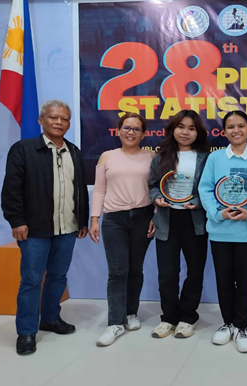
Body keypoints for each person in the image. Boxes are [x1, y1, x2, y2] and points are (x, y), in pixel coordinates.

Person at [1, 100, 89, 355]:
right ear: (42, 120)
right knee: (30, 280)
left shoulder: (74, 151)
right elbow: (11, 191)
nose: (59, 122)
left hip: (68, 228)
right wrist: (16, 221)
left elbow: (79, 189)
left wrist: (81, 220)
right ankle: (27, 331)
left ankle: (50, 319)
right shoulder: (23, 149)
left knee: (58, 277)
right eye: (53, 117)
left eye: (64, 119)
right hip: (34, 230)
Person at [199, 110, 247, 353]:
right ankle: (227, 323)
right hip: (220, 229)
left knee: (244, 281)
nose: (236, 130)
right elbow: (206, 189)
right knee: (223, 280)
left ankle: (242, 326)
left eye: (241, 126)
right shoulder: (215, 158)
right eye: (230, 126)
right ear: (224, 131)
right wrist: (217, 213)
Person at [89, 112, 155, 347]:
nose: (130, 132)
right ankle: (114, 323)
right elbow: (99, 190)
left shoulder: (151, 157)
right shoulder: (107, 156)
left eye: (136, 129)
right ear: (118, 131)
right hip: (114, 219)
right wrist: (95, 218)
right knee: (118, 271)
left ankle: (131, 313)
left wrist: (155, 216)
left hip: (143, 217)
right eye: (126, 128)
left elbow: (158, 189)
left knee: (135, 269)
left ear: (143, 134)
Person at [149, 110, 210, 339]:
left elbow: (210, 188)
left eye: (191, 128)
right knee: (167, 273)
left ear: (198, 132)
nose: (185, 132)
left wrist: (197, 201)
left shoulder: (206, 157)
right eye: (181, 127)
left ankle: (187, 317)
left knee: (195, 271)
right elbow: (153, 185)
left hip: (194, 221)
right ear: (173, 130)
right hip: (167, 220)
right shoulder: (161, 155)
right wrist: (156, 197)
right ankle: (168, 318)